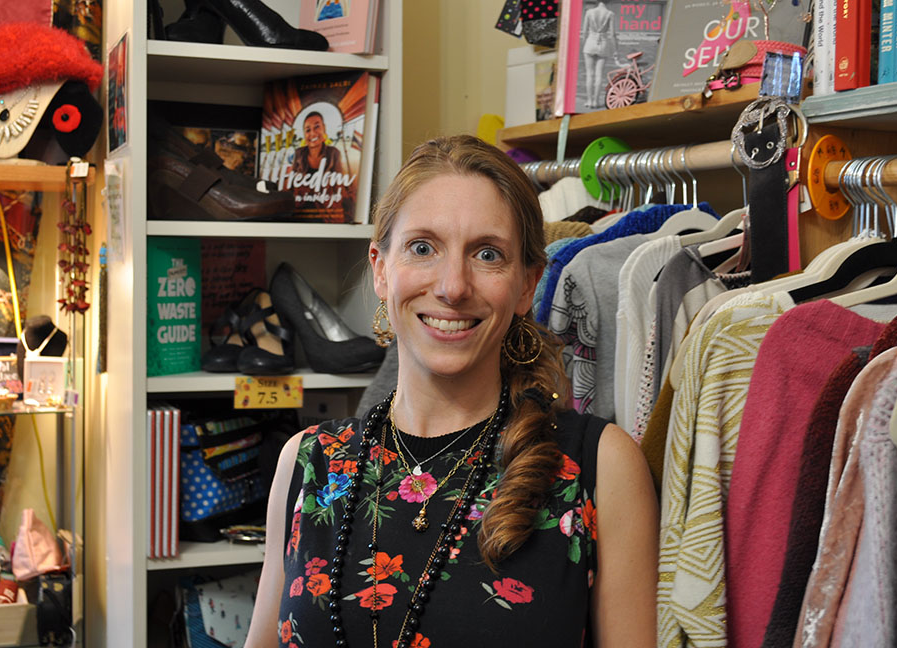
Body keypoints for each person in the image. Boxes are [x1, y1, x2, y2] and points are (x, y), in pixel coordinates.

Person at [246, 135, 658, 648]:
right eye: (423, 248)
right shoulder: (308, 463)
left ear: (527, 285)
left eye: (487, 254)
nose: (453, 286)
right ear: (380, 268)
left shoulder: (600, 466)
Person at [580, 1, 618, 110]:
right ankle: (596, 101)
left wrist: (584, 45)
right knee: (599, 74)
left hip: (590, 43)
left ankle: (589, 101)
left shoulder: (589, 12)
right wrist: (615, 50)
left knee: (589, 74)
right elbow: (612, 34)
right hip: (603, 44)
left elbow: (584, 32)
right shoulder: (610, 14)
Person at [291, 111, 343, 177]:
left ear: (324, 128)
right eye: (308, 130)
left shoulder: (334, 153)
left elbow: (338, 183)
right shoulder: (298, 153)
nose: (312, 133)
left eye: (317, 127)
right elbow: (292, 182)